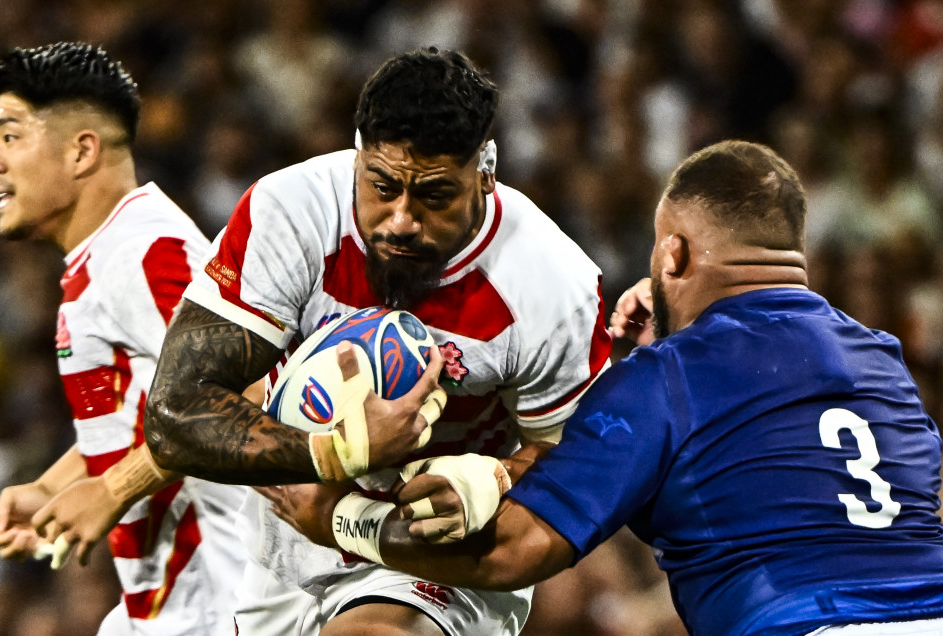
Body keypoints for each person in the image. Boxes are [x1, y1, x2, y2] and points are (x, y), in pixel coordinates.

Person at [262, 140, 943, 636]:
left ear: (672, 253)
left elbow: (514, 551)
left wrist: (336, 520)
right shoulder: (884, 362)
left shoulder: (668, 379)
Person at [142, 47, 613, 635]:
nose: (401, 219)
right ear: (358, 153)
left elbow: (579, 468)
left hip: (437, 551)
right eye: (382, 185)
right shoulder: (292, 213)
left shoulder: (550, 284)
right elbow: (173, 413)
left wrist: (493, 478)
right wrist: (338, 454)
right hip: (286, 535)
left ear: (485, 172)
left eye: (434, 195)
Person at [0, 42, 254, 635]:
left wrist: (112, 489)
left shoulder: (145, 254)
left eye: (10, 137)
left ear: (82, 151)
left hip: (223, 603)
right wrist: (54, 487)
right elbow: (150, 412)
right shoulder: (109, 255)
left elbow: (246, 393)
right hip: (168, 606)